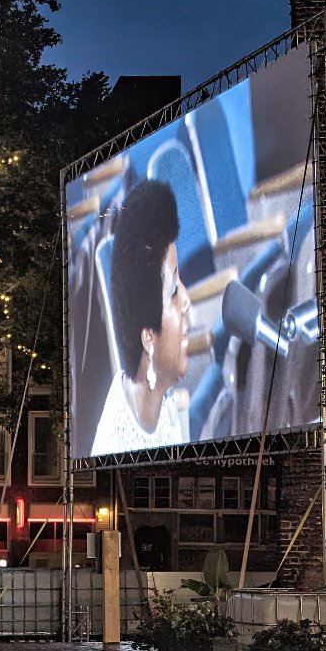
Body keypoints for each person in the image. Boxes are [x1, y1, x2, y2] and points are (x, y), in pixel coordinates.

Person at [91, 178, 193, 457]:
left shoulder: (165, 402)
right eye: (173, 291)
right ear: (148, 338)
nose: (186, 300)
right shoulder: (112, 449)